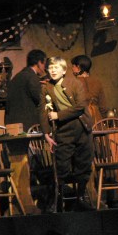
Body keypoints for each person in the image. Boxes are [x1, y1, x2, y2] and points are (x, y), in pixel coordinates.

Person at [40, 57, 93, 211]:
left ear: (64, 70)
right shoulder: (46, 87)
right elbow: (42, 110)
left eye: (56, 67)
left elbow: (80, 106)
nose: (53, 70)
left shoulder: (75, 83)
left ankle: (80, 198)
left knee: (83, 164)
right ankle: (59, 200)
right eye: (51, 68)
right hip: (64, 130)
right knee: (61, 166)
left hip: (81, 127)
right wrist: (46, 133)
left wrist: (58, 115)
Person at [4, 49, 47, 131]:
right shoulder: (32, 77)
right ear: (39, 63)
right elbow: (40, 99)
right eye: (44, 64)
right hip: (27, 125)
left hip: (12, 123)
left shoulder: (18, 76)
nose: (44, 68)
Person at [71, 55, 108, 124]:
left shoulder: (73, 83)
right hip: (97, 121)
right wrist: (103, 121)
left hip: (80, 120)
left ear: (78, 67)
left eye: (73, 66)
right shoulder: (97, 82)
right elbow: (103, 107)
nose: (72, 69)